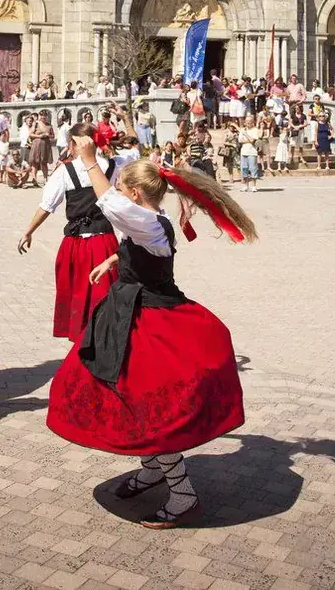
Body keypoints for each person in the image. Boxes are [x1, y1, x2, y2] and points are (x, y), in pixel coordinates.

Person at [46, 132, 256, 528]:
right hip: (129, 314)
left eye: (123, 188)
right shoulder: (147, 221)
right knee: (129, 394)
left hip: (152, 321)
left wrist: (89, 160)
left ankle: (182, 493)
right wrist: (113, 260)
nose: (118, 193)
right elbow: (134, 242)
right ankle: (152, 470)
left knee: (147, 406)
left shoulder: (146, 220)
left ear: (136, 195)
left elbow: (110, 205)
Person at [17, 123, 120, 341]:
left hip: (76, 244)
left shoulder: (65, 171)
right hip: (105, 241)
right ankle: (105, 339)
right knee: (104, 293)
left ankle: (81, 340)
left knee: (78, 293)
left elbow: (47, 206)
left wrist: (28, 231)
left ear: (74, 144)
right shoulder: (112, 166)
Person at [28, 110, 55, 183]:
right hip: (37, 143)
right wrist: (39, 136)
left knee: (44, 162)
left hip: (45, 144)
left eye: (45, 115)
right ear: (40, 116)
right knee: (35, 162)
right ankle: (34, 179)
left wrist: (48, 135)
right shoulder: (36, 124)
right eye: (42, 115)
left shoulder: (49, 125)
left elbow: (53, 136)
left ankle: (45, 179)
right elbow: (30, 134)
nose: (43, 117)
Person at [237, 114, 261, 193]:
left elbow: (252, 140)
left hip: (252, 152)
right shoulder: (242, 130)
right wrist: (248, 139)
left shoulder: (255, 130)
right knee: (244, 169)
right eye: (246, 121)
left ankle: (254, 186)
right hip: (244, 152)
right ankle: (245, 186)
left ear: (252, 122)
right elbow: (240, 140)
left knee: (253, 169)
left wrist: (246, 135)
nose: (248, 123)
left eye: (249, 121)